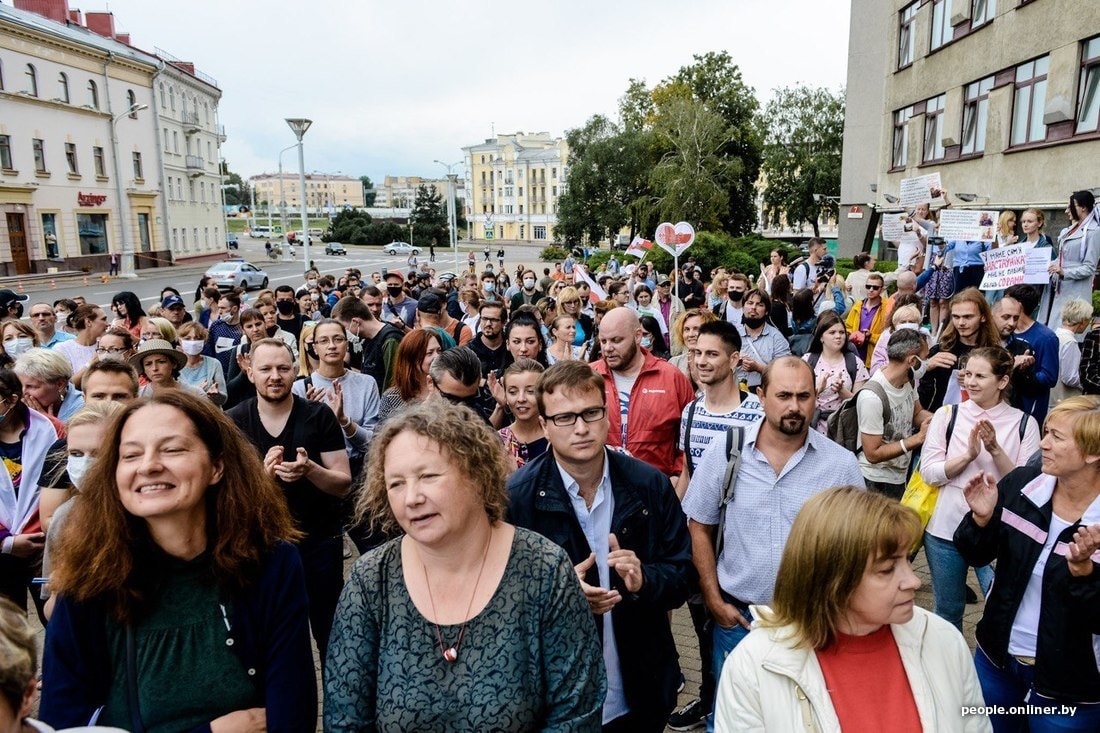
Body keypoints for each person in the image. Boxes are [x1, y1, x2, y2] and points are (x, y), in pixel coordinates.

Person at [40, 390, 317, 729]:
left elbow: (292, 708)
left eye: (172, 449)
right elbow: (63, 720)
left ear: (216, 466)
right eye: (130, 455)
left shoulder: (270, 563)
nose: (149, 466)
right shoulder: (89, 579)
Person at [326, 401, 604, 730]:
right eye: (396, 483)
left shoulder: (544, 569)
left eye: (427, 476)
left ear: (476, 474)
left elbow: (575, 716)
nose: (411, 497)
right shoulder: (371, 580)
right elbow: (345, 719)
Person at [507, 361, 694, 731]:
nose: (580, 428)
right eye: (564, 418)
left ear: (607, 415)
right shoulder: (516, 499)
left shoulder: (649, 485)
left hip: (641, 690)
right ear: (544, 425)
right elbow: (499, 598)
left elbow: (684, 573)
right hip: (559, 702)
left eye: (591, 413)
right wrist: (558, 593)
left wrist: (645, 580)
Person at [683, 357, 865, 730]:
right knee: (732, 719)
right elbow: (698, 525)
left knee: (807, 719)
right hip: (740, 621)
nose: (794, 406)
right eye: (783, 395)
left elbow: (857, 547)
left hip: (812, 623)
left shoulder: (841, 466)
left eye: (804, 396)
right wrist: (714, 601)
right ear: (762, 397)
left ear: (816, 399)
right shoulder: (727, 451)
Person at [715, 487, 990, 732]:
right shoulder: (755, 667)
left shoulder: (943, 640)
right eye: (886, 570)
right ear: (831, 580)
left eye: (907, 561)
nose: (914, 581)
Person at [956, 395, 1100, 732]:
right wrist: (982, 519)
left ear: (1093, 453)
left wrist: (1084, 574)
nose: (1043, 443)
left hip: (1069, 687)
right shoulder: (1022, 485)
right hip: (997, 663)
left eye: (1056, 437)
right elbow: (975, 555)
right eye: (1046, 431)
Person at [229, 339, 352, 661]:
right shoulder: (234, 422)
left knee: (330, 635)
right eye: (266, 369)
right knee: (273, 641)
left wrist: (310, 469)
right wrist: (261, 478)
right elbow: (227, 498)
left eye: (283, 368)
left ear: (295, 372)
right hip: (261, 546)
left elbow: (342, 483)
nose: (275, 376)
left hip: (319, 542)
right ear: (250, 372)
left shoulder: (318, 415)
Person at [669, 320, 764, 731]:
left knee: (740, 628)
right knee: (703, 625)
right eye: (696, 353)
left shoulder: (756, 414)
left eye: (711, 354)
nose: (701, 361)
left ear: (734, 360)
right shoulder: (690, 411)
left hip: (742, 543)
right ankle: (709, 700)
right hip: (700, 539)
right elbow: (688, 473)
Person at [920, 346, 1040, 633]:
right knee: (947, 612)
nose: (971, 382)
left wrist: (995, 449)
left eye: (980, 376)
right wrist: (966, 457)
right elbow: (929, 473)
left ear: (1002, 381)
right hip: (946, 530)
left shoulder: (1024, 423)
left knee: (1004, 608)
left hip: (1002, 535)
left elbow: (1028, 488)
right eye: (968, 374)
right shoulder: (947, 415)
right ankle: (949, 672)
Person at [593, 308, 694, 479]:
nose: (608, 348)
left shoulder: (671, 377)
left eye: (616, 340)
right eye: (603, 341)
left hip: (656, 489)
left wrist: (678, 475)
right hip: (602, 488)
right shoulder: (589, 377)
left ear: (638, 336)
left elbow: (691, 437)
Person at [293, 319, 380, 482]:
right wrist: (311, 417)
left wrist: (344, 422)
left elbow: (373, 443)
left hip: (361, 474)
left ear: (347, 345)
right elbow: (296, 444)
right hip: (318, 475)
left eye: (338, 339)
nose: (331, 345)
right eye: (324, 340)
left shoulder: (367, 383)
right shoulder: (299, 389)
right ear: (315, 348)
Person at [0, 369, 55, 618]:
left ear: (12, 400)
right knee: (8, 635)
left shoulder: (52, 431)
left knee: (53, 620)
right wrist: (6, 542)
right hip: (2, 551)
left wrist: (37, 531)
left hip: (42, 544)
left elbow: (61, 488)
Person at [856, 327, 934, 498]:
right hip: (875, 481)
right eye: (925, 358)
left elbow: (916, 414)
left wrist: (945, 418)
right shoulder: (872, 397)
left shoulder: (908, 382)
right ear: (913, 361)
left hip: (899, 475)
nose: (927, 364)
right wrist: (918, 439)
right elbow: (872, 453)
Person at [919, 288, 1002, 412]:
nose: (961, 323)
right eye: (956, 317)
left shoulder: (996, 354)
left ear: (983, 317)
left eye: (968, 317)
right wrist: (925, 368)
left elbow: (1005, 398)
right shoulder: (940, 350)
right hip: (940, 421)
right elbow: (923, 399)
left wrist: (976, 382)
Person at [1042, 191, 1100, 330]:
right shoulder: (1068, 230)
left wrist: (1064, 272)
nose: (1067, 210)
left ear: (1083, 207)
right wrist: (1047, 265)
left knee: (1067, 331)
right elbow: (1062, 257)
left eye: (1071, 206)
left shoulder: (1094, 232)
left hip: (1075, 292)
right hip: (1058, 290)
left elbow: (1089, 267)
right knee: (1054, 330)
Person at [804, 311, 869, 432]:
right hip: (812, 427)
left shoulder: (855, 363)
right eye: (832, 332)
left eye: (842, 332)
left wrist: (842, 391)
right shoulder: (808, 360)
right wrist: (818, 390)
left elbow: (861, 402)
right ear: (821, 337)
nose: (838, 336)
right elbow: (798, 398)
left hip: (843, 428)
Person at [1003, 284, 1059, 422]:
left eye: (1006, 300)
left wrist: (1025, 372)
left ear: (1019, 306)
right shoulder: (1004, 332)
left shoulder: (1046, 337)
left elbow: (1049, 377)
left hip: (1029, 410)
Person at [377, 329, 443, 422]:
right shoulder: (392, 397)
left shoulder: (448, 391)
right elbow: (381, 435)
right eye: (429, 353)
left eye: (439, 351)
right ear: (412, 358)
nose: (437, 356)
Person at [736, 289, 792, 390]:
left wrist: (758, 368)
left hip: (766, 391)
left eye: (759, 305)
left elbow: (785, 371)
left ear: (766, 311)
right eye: (750, 303)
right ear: (743, 307)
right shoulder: (732, 335)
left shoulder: (776, 338)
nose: (753, 307)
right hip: (736, 392)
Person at [496, 359, 547, 468]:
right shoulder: (498, 442)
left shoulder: (557, 435)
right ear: (505, 395)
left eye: (530, 391)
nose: (521, 399)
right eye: (513, 392)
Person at [13, 349, 83, 424]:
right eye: (19, 385)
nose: (23, 393)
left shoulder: (83, 409)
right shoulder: (15, 407)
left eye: (31, 386)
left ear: (60, 384)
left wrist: (51, 427)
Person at [53, 304, 108, 387]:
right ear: (88, 322)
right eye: (103, 319)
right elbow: (66, 386)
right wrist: (92, 363)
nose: (107, 324)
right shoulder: (62, 348)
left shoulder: (106, 346)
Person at [845, 271, 891, 366]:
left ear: (881, 290)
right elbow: (847, 327)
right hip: (854, 356)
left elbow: (889, 336)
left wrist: (870, 337)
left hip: (874, 359)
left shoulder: (887, 307)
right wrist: (852, 335)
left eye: (875, 287)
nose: (871, 290)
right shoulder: (858, 305)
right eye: (868, 286)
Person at [176, 322, 227, 405]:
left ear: (204, 341)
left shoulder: (214, 364)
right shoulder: (174, 366)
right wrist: (197, 392)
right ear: (180, 341)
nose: (192, 342)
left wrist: (216, 395)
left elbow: (223, 399)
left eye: (197, 338)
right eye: (187, 338)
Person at [1052, 299, 1091, 404]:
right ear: (1083, 321)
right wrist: (1089, 381)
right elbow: (1070, 377)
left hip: (1053, 399)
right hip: (1065, 400)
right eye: (1089, 319)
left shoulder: (1055, 335)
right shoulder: (1069, 342)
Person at [668, 308, 716, 383]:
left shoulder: (719, 363)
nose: (690, 335)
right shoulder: (674, 363)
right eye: (687, 329)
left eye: (696, 329)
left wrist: (698, 381)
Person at [204, 291, 244, 377]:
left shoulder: (244, 327)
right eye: (218, 308)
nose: (220, 311)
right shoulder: (216, 325)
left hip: (237, 375)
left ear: (234, 309)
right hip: (218, 374)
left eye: (223, 308)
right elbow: (209, 349)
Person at [469, 301, 507, 376]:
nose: (488, 324)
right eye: (484, 319)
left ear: (503, 322)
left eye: (493, 320)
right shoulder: (469, 350)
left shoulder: (512, 346)